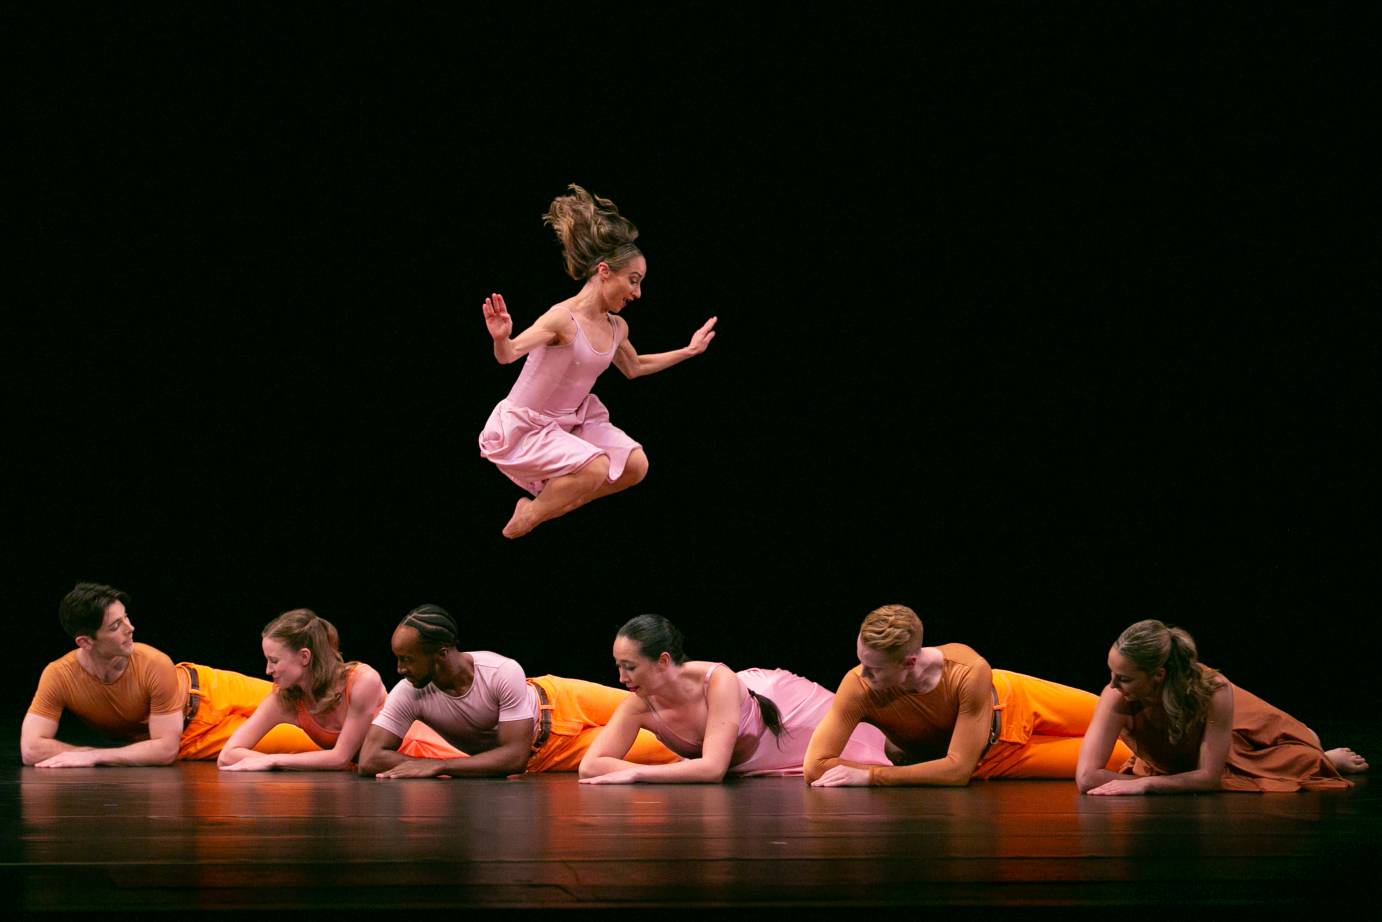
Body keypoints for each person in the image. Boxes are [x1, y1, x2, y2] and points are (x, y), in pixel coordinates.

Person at [479, 184, 717, 538]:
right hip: (527, 428)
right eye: (633, 281)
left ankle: (555, 504)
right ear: (604, 271)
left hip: (570, 423)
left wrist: (688, 351)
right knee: (597, 466)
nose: (637, 293)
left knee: (635, 466)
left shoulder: (616, 327)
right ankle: (528, 516)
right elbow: (509, 354)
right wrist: (501, 338)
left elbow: (635, 367)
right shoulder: (563, 319)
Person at [804, 604, 1134, 786]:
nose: (862, 674)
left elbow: (953, 768)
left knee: (1128, 712)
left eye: (874, 669)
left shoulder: (966, 670)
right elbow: (815, 766)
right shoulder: (858, 686)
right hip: (996, 757)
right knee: (1131, 759)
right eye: (862, 662)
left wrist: (871, 775)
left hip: (1017, 698)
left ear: (909, 662)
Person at [357, 604, 679, 779]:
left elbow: (509, 755)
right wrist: (421, 767)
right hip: (547, 753)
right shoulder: (410, 692)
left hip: (562, 699)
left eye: (407, 659)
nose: (400, 669)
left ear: (440, 655)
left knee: (664, 705)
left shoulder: (499, 671)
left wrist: (439, 766)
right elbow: (369, 759)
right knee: (671, 746)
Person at [21, 582, 317, 767]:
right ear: (86, 642)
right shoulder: (60, 676)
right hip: (193, 735)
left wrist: (91, 756)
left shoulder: (152, 663)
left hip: (211, 688)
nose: (130, 628)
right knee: (316, 741)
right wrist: (89, 754)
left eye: (126, 618)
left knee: (318, 701)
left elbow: (161, 749)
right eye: (115, 626)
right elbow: (31, 749)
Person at [578, 614, 889, 784]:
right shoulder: (638, 705)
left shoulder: (717, 680)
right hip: (744, 749)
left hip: (786, 714)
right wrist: (629, 771)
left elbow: (713, 769)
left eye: (630, 667)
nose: (621, 678)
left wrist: (635, 772)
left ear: (662, 661)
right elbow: (590, 767)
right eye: (618, 666)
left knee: (875, 745)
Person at [1075, 619, 1367, 794]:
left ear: (1158, 675)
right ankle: (1311, 749)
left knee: (1305, 748)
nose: (1112, 685)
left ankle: (1321, 754)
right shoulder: (1116, 695)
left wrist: (1146, 786)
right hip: (1183, 753)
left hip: (1210, 718)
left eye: (1124, 678)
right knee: (1283, 754)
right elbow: (1087, 777)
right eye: (1112, 673)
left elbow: (1208, 777)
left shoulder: (1212, 690)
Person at [217, 609, 388, 771]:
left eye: (274, 661)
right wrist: (267, 760)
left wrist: (273, 760)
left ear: (304, 656)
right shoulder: (286, 699)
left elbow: (340, 758)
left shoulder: (362, 682)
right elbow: (227, 755)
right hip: (371, 778)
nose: (268, 670)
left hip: (402, 765)